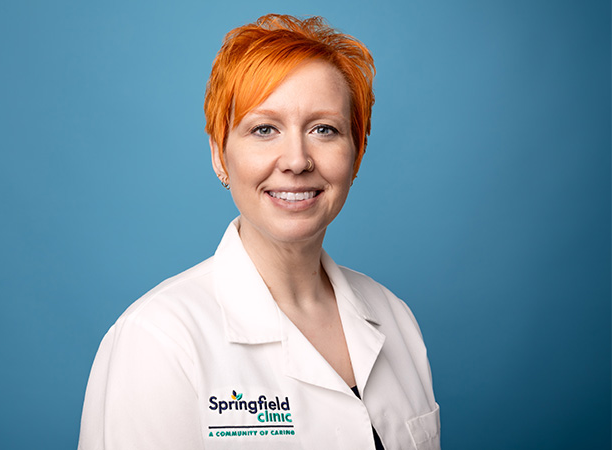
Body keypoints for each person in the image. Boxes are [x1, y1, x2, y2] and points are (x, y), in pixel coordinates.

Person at [78, 14, 439, 450]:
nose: (296, 160)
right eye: (264, 129)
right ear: (219, 155)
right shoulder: (158, 339)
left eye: (324, 129)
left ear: (357, 153)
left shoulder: (396, 318)